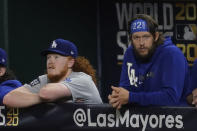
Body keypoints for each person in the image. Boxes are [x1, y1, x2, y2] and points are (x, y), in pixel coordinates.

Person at [108, 14, 189, 109]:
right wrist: (118, 97)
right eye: (136, 38)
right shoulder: (130, 53)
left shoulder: (171, 54)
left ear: (155, 36)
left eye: (146, 37)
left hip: (175, 119)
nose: (141, 43)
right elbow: (126, 89)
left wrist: (131, 97)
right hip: (141, 119)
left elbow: (171, 98)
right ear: (131, 39)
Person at [3, 38, 102, 108]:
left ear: (70, 62)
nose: (50, 61)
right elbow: (9, 98)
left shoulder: (82, 80)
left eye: (56, 57)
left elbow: (45, 93)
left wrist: (34, 99)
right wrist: (42, 98)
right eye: (48, 57)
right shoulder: (44, 79)